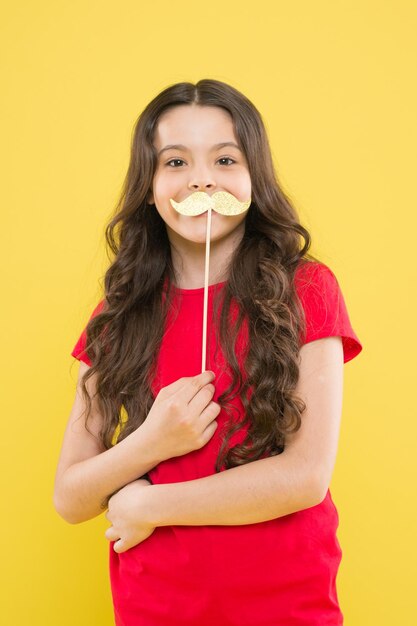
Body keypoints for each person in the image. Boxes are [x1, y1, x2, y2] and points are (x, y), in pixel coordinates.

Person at [54, 79, 363, 626]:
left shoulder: (307, 289)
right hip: (155, 605)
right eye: (175, 162)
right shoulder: (119, 313)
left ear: (254, 178)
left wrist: (149, 504)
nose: (201, 178)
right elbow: (71, 497)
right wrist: (153, 441)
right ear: (148, 187)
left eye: (225, 158)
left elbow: (306, 475)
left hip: (287, 602)